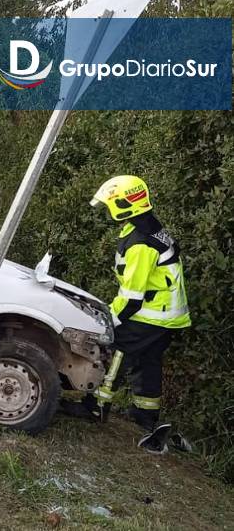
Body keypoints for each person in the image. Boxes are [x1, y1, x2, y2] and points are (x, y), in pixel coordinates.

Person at [88, 175, 191, 454]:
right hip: (167, 316)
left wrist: (109, 320)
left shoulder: (141, 243)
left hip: (151, 314)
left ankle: (96, 405)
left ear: (124, 205)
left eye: (111, 204)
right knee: (148, 362)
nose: (109, 210)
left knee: (118, 346)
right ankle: (145, 417)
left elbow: (132, 298)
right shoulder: (148, 227)